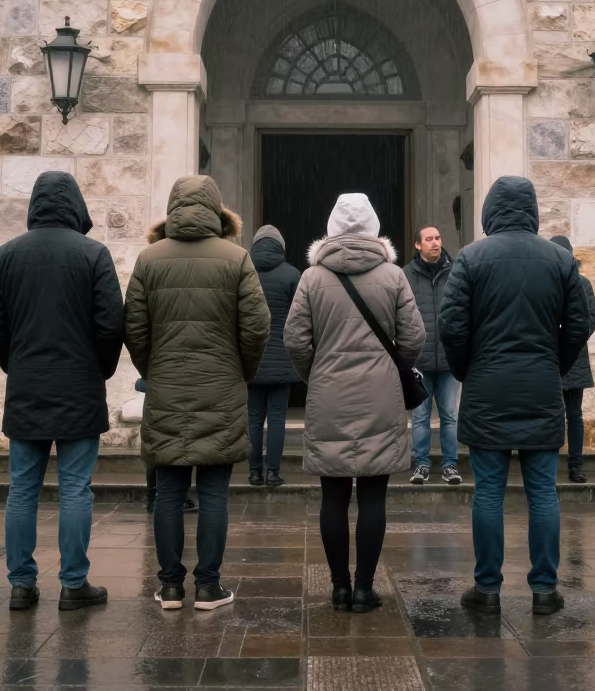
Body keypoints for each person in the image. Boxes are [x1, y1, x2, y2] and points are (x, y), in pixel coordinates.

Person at [439, 177, 590, 617]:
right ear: (533, 209)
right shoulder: (560, 260)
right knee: (543, 491)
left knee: (488, 491)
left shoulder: (471, 257)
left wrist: (469, 368)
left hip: (487, 385)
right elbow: (579, 324)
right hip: (541, 384)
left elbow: (451, 326)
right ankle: (544, 588)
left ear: (490, 210)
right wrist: (554, 364)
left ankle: (487, 588)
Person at [0, 171, 124, 612]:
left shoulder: (7, 255)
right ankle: (73, 583)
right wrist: (98, 369)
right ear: (76, 205)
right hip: (79, 385)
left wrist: (16, 363)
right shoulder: (93, 253)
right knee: (76, 488)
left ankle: (22, 585)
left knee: (22, 490)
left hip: (28, 386)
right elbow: (111, 323)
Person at [124, 176, 269, 612]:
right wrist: (240, 370)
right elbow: (257, 326)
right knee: (214, 493)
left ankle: (169, 586)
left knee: (167, 491)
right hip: (221, 387)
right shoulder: (236, 258)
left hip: (166, 386)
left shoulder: (149, 259)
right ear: (217, 209)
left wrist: (154, 369)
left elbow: (134, 327)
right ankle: (208, 586)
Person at [285, 193, 424, 613]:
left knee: (333, 495)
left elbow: (294, 339)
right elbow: (414, 337)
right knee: (374, 496)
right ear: (373, 226)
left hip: (329, 394)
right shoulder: (393, 276)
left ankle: (339, 587)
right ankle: (364, 588)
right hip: (381, 396)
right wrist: (391, 368)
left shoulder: (312, 278)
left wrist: (317, 373)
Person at [405, 225, 460, 486]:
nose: (435, 243)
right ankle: (421, 464)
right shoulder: (406, 275)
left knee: (450, 416)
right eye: (429, 239)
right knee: (420, 417)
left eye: (438, 238)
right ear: (418, 245)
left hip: (449, 359)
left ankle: (450, 465)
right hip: (420, 360)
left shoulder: (456, 272)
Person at [247, 224, 301, 487]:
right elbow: (300, 318)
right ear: (280, 246)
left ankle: (254, 471)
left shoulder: (243, 271)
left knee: (254, 418)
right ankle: (273, 472)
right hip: (282, 358)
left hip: (252, 359)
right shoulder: (292, 274)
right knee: (278, 417)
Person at [550, 236, 595, 484]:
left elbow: (591, 317)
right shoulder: (545, 282)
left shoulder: (583, 284)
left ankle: (576, 464)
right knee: (552, 414)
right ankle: (549, 463)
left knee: (574, 415)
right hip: (550, 358)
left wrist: (569, 340)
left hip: (575, 357)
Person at [136, 378, 197, 515]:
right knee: (167, 443)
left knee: (157, 444)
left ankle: (155, 498)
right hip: (175, 388)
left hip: (159, 387)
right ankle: (160, 497)